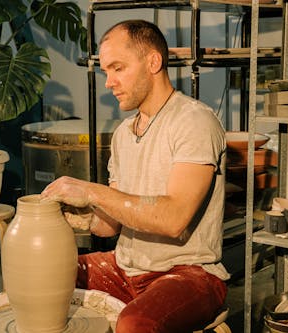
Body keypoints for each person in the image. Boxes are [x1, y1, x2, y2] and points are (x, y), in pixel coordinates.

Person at [40, 19, 229, 333]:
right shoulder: (124, 134)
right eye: (105, 72)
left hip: (189, 273)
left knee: (135, 323)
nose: (108, 82)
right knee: (42, 272)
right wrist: (73, 217)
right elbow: (109, 224)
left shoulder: (193, 121)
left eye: (118, 68)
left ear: (153, 62)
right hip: (125, 267)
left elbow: (174, 219)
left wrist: (90, 192)